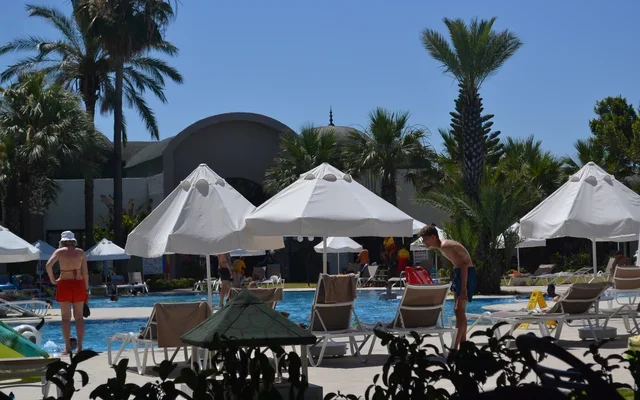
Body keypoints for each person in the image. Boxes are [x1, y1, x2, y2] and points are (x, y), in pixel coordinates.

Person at [419, 224, 476, 349]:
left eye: (425, 239)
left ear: (433, 237)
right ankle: (463, 345)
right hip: (459, 272)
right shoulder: (441, 247)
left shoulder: (446, 246)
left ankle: (454, 347)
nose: (424, 242)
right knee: (458, 311)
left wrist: (464, 287)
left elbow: (464, 264)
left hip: (465, 273)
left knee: (459, 310)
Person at [45, 231, 89, 355]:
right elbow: (85, 273)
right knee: (79, 317)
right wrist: (86, 289)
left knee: (65, 318)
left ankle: (68, 348)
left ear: (62, 241)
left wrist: (53, 280)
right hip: (78, 284)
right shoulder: (80, 252)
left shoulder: (59, 252)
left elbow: (48, 265)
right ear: (73, 240)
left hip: (64, 284)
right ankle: (80, 347)